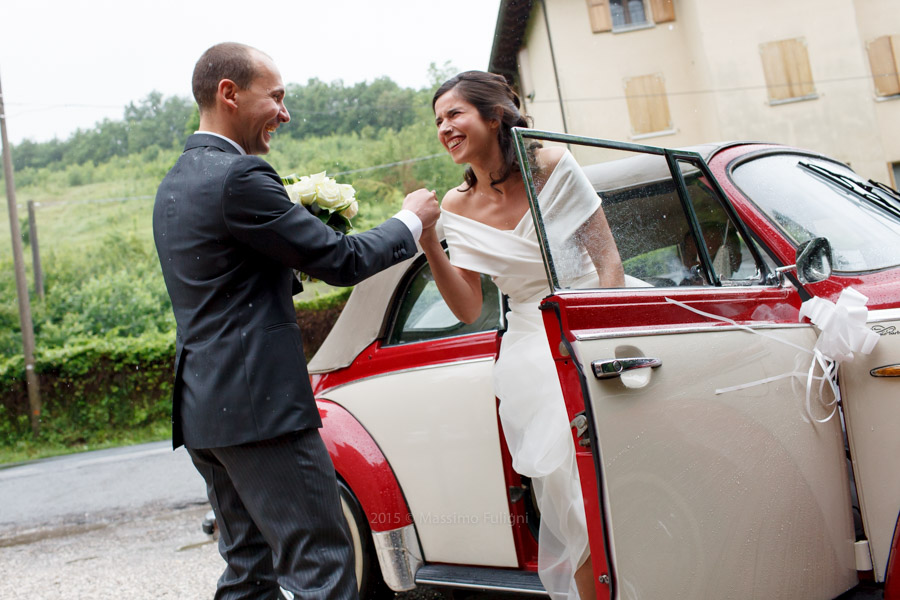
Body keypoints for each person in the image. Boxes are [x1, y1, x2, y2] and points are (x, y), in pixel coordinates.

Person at [152, 42, 439, 600]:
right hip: (262, 411)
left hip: (206, 411)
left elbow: (223, 280)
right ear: (229, 94)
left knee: (248, 570)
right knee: (322, 566)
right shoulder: (239, 177)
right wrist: (410, 220)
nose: (284, 113)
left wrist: (288, 244)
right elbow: (343, 261)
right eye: (276, 97)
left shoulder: (175, 183)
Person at [420, 71, 625, 600]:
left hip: (590, 318)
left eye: (454, 114)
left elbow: (608, 263)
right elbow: (468, 308)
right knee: (570, 493)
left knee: (622, 481)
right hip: (532, 342)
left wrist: (601, 337)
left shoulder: (553, 166)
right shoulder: (456, 207)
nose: (444, 127)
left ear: (493, 116)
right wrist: (429, 242)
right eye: (438, 120)